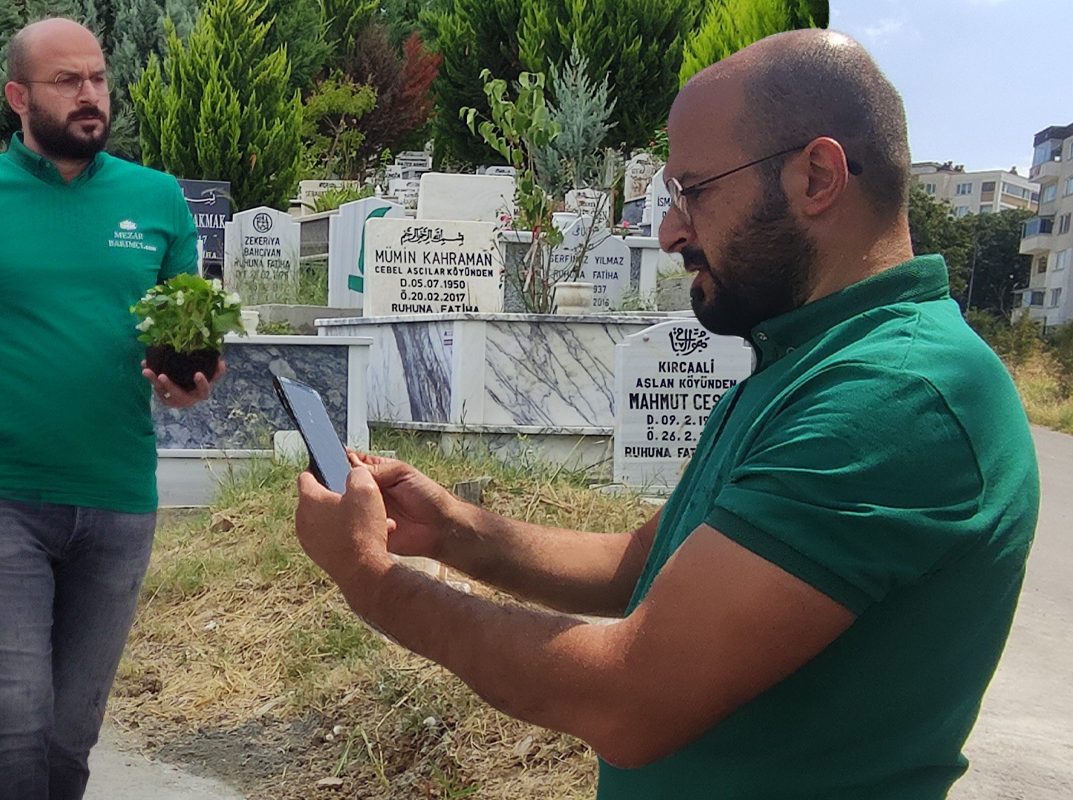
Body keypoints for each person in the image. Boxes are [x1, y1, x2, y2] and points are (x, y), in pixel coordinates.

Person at [294, 29, 1039, 799]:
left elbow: (628, 698)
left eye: (694, 190)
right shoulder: (806, 357)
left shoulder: (893, 394)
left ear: (817, 176)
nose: (670, 229)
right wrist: (453, 531)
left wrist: (373, 581)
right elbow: (644, 563)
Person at [0, 18, 215, 799]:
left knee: (69, 738)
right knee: (17, 719)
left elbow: (183, 341)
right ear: (18, 97)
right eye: (67, 82)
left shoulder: (156, 200)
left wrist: (186, 380)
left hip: (118, 499)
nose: (90, 95)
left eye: (97, 78)